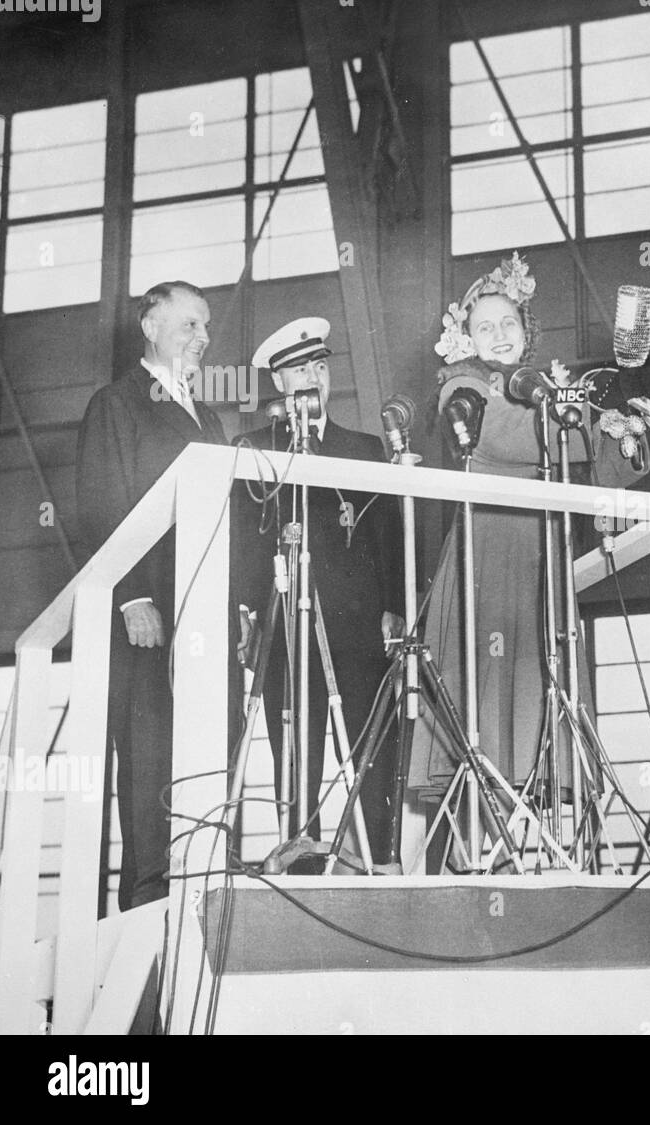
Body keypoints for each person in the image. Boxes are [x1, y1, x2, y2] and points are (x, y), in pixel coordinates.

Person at [406, 252, 650, 829]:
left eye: (508, 324)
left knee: (531, 694)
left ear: (526, 332)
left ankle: (519, 854)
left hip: (541, 556)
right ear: (463, 338)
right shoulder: (462, 385)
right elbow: (511, 436)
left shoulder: (545, 390)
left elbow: (610, 468)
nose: (498, 336)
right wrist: (589, 421)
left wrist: (633, 430)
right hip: (488, 554)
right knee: (484, 706)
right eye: (483, 327)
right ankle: (457, 858)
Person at [76, 280, 233, 910]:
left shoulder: (212, 417)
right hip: (148, 617)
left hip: (206, 614)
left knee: (203, 758)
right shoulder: (115, 403)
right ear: (150, 325)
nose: (201, 338)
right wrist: (133, 597)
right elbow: (101, 501)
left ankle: (203, 894)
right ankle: (146, 907)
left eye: (205, 327)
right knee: (148, 764)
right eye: (188, 324)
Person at [235, 318, 404, 864]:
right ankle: (300, 866)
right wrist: (243, 613)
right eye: (299, 369)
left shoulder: (364, 449)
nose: (313, 377)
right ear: (279, 383)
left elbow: (389, 537)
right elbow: (241, 543)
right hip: (284, 632)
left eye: (320, 366)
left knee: (369, 755)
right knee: (294, 759)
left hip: (357, 633)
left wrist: (396, 607)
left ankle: (379, 862)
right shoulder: (252, 451)